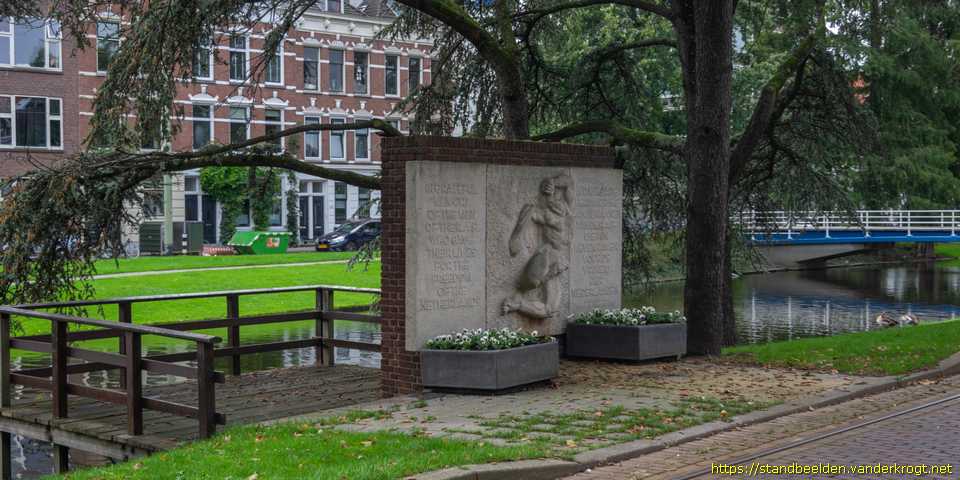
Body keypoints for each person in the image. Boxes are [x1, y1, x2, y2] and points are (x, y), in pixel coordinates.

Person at [501, 173, 573, 320]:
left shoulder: (566, 211)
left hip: (558, 260)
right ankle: (517, 300)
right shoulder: (544, 213)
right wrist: (516, 238)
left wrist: (553, 181)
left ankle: (518, 304)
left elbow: (569, 182)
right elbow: (531, 213)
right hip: (547, 255)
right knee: (531, 282)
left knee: (551, 310)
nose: (556, 202)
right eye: (552, 199)